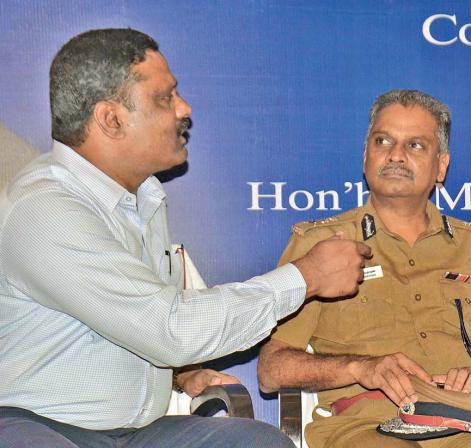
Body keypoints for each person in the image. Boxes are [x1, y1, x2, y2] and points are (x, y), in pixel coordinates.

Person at [0, 28, 371, 447]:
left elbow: (120, 320)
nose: (184, 108)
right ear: (110, 119)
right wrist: (305, 277)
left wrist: (173, 374)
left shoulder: (143, 199)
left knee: (260, 444)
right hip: (34, 425)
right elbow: (168, 329)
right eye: (165, 98)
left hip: (136, 433)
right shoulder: (45, 209)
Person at [258, 89, 471, 447]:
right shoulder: (320, 245)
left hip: (470, 426)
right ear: (366, 156)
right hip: (367, 426)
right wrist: (359, 368)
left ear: (441, 166)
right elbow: (271, 370)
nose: (395, 155)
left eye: (415, 145)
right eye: (384, 141)